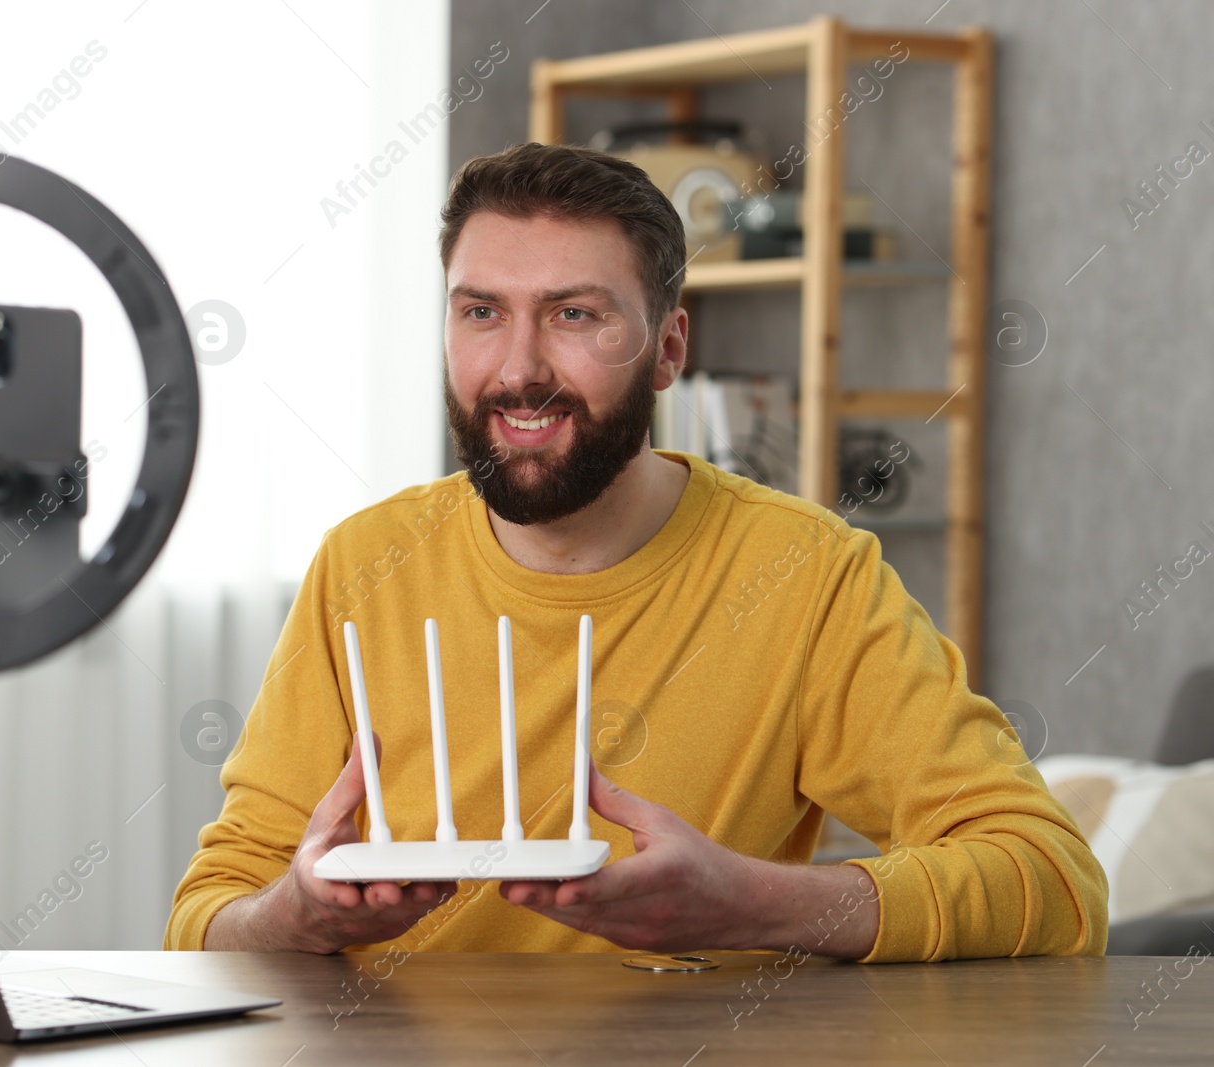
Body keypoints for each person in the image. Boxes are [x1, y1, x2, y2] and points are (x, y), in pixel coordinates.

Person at [165, 142, 1107, 962]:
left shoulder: (809, 575)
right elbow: (205, 918)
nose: (519, 367)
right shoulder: (362, 564)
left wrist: (752, 903)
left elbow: (1054, 880)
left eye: (576, 314)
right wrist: (297, 915)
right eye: (481, 312)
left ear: (667, 350)